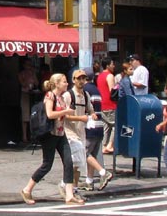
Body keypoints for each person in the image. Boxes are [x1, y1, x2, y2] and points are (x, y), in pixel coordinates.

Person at [20, 73, 83, 206]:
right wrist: (65, 112)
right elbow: (49, 114)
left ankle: (69, 195)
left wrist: (67, 113)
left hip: (61, 133)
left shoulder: (62, 98)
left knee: (69, 162)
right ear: (57, 84)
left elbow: (61, 116)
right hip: (50, 134)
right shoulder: (50, 96)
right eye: (64, 82)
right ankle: (27, 189)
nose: (67, 84)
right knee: (47, 165)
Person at [67, 68, 112, 192]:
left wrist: (84, 117)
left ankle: (103, 172)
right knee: (90, 154)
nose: (81, 81)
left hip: (88, 127)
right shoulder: (95, 89)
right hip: (97, 126)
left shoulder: (85, 92)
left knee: (84, 154)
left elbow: (88, 110)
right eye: (79, 78)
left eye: (83, 78)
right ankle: (89, 181)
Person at [96, 58, 116, 154]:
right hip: (110, 104)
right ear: (107, 65)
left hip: (102, 104)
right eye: (112, 64)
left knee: (106, 127)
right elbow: (113, 91)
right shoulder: (110, 76)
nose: (114, 66)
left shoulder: (100, 76)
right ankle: (110, 145)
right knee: (116, 125)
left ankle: (103, 145)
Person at [18, 60, 38, 143]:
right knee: (25, 116)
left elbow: (37, 83)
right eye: (27, 65)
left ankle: (33, 135)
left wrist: (33, 75)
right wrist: (27, 79)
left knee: (33, 115)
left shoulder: (33, 74)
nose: (29, 67)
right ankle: (24, 136)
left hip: (33, 94)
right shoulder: (21, 74)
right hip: (25, 94)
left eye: (30, 65)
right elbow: (22, 84)